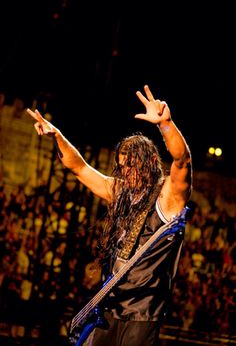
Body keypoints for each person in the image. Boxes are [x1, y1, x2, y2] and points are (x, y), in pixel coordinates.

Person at [27, 84, 192, 346]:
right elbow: (80, 168)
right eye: (123, 167)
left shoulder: (167, 195)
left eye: (132, 166)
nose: (126, 173)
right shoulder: (120, 191)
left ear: (148, 163)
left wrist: (166, 125)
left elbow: (182, 161)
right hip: (109, 307)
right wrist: (57, 135)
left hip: (141, 313)